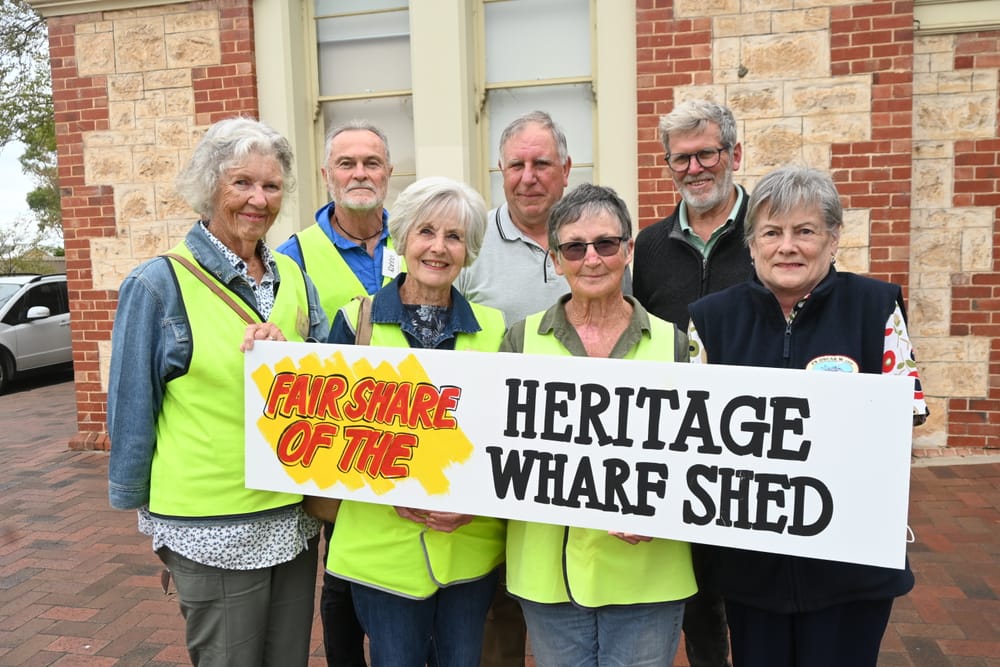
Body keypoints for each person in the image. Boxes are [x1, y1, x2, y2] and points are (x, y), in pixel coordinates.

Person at [107, 117, 329, 666]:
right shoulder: (156, 284)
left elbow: (328, 382)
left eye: (272, 186)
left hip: (292, 517)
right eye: (242, 183)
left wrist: (294, 359)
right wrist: (145, 513)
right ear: (210, 186)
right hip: (211, 527)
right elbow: (132, 408)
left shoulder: (293, 277)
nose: (258, 199)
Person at [687, 165, 929, 667]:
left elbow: (904, 416)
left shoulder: (876, 306)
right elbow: (693, 434)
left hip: (851, 567)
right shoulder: (710, 320)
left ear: (833, 238)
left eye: (805, 231)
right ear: (751, 244)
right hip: (752, 569)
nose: (787, 247)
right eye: (772, 233)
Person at [500, 183, 696, 667]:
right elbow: (494, 442)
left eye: (606, 244)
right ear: (555, 258)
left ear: (628, 250)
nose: (592, 259)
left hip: (648, 573)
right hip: (548, 572)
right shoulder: (520, 340)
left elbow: (698, 458)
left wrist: (663, 511)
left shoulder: (674, 344)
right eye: (574, 247)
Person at [325, 176, 507, 667]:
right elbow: (327, 436)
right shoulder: (353, 322)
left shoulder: (495, 330)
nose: (438, 247)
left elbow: (506, 436)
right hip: (380, 552)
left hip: (467, 548)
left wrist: (475, 502)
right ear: (402, 239)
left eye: (454, 237)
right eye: (426, 232)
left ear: (468, 251)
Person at [632, 99, 752, 667]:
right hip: (683, 446)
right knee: (699, 600)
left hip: (758, 444)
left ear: (734, 154)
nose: (695, 168)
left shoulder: (771, 231)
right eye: (680, 158)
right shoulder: (649, 248)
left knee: (755, 599)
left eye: (706, 153)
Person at [276, 119, 398, 667]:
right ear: (326, 175)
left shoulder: (421, 235)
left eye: (371, 162)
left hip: (415, 433)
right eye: (346, 163)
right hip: (338, 443)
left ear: (389, 173)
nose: (359, 173)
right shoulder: (292, 256)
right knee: (342, 576)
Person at [456, 110, 575, 327]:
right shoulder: (467, 240)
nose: (528, 178)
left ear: (565, 169)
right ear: (502, 170)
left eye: (541, 164)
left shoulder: (599, 245)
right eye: (517, 166)